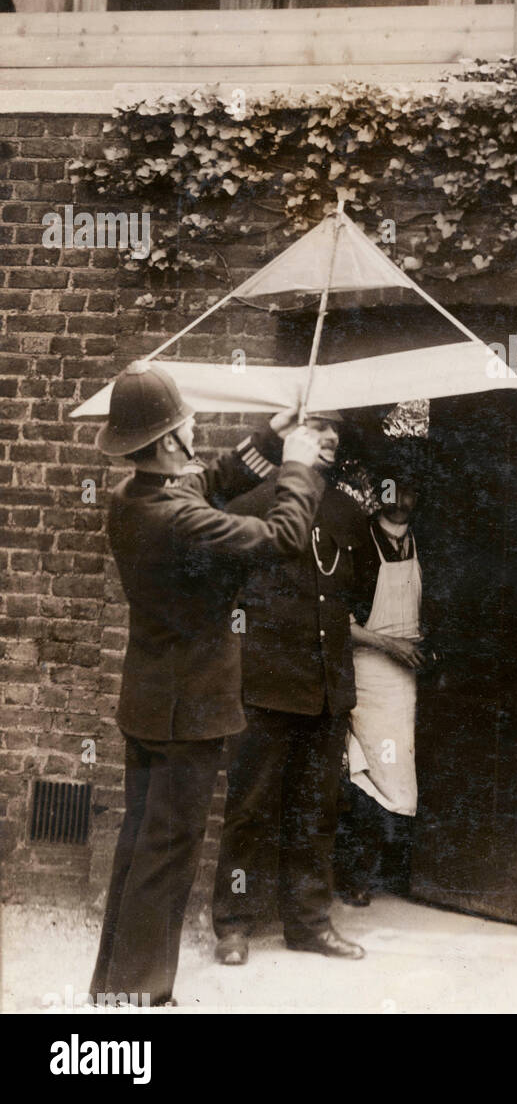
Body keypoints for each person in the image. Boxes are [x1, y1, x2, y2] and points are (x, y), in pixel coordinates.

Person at [88, 360, 333, 1007]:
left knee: (140, 845)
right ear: (170, 440)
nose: (196, 428)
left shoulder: (131, 501)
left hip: (147, 706)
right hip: (188, 715)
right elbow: (284, 535)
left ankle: (114, 990)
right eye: (188, 422)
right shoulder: (181, 521)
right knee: (168, 856)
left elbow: (206, 482)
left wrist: (271, 443)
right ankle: (141, 999)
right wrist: (302, 465)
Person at [212, 412, 373, 964]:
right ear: (288, 435)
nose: (328, 437)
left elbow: (362, 595)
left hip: (326, 688)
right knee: (250, 809)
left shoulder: (350, 513)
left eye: (334, 428)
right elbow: (221, 595)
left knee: (316, 809)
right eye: (316, 425)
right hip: (263, 685)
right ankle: (234, 924)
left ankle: (309, 923)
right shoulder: (252, 506)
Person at [334, 444, 435, 905]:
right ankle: (355, 874)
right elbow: (336, 620)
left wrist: (422, 643)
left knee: (405, 771)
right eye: (392, 486)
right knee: (369, 771)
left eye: (409, 487)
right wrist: (388, 645)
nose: (401, 496)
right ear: (378, 491)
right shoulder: (358, 540)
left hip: (409, 673)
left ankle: (394, 873)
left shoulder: (425, 542)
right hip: (369, 670)